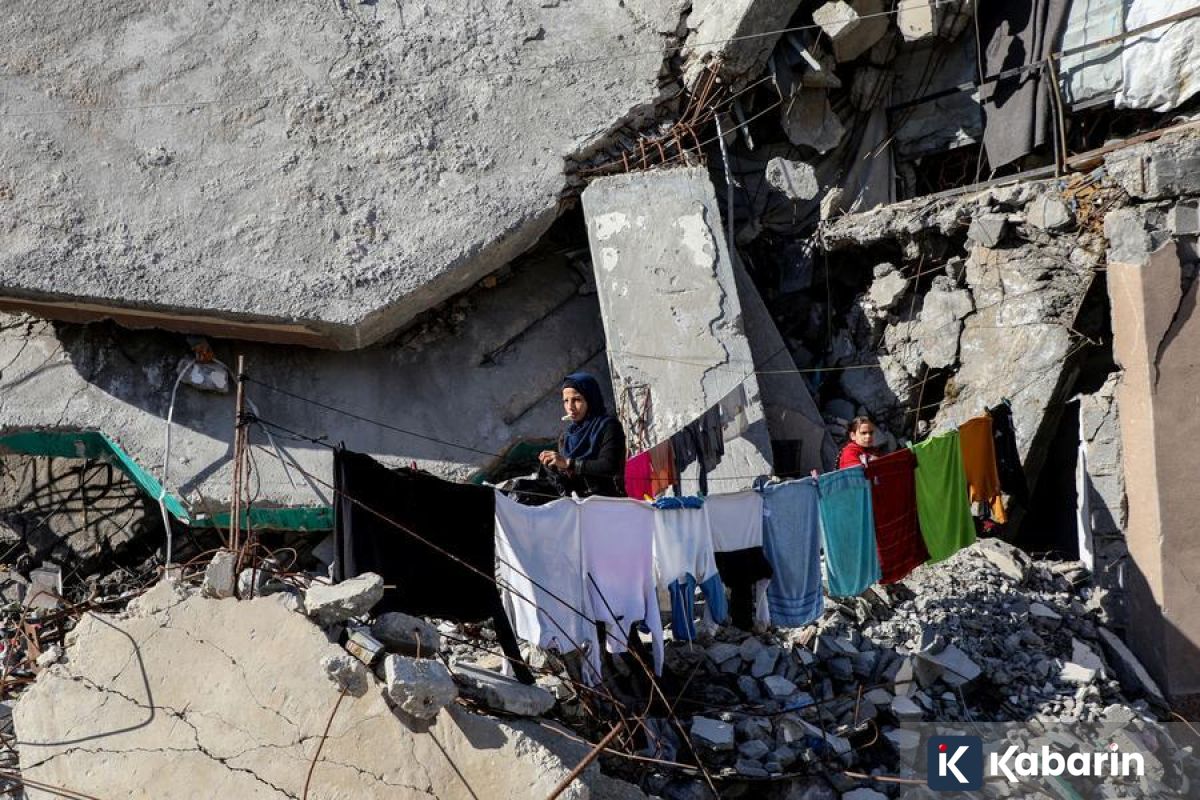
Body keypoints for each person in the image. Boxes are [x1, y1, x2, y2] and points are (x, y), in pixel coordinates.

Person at [538, 372, 626, 498]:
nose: (570, 407)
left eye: (576, 400)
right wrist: (554, 467)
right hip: (577, 503)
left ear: (591, 399)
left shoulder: (608, 426)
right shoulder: (567, 436)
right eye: (566, 401)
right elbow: (568, 478)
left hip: (607, 501)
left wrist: (569, 463)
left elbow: (609, 466)